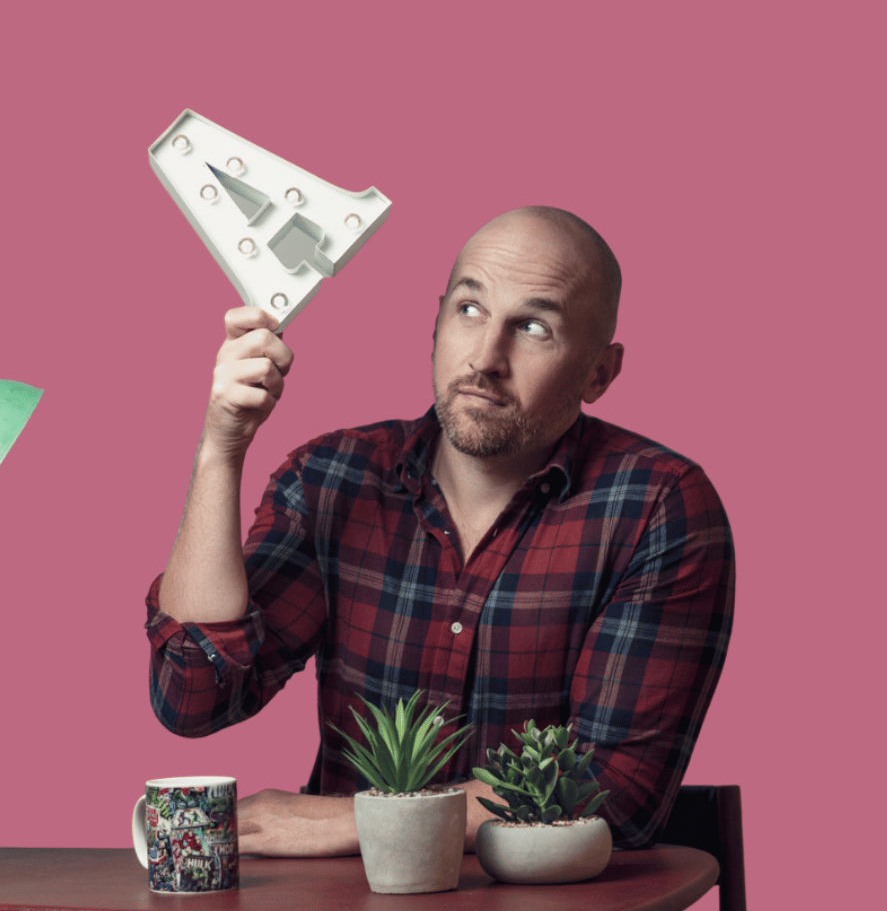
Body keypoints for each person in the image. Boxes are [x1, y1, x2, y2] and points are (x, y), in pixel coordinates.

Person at [144, 206, 734, 856]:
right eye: (469, 310)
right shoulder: (333, 477)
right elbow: (193, 694)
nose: (486, 358)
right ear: (436, 322)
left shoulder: (656, 505)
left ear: (600, 372)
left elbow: (616, 794)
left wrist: (352, 820)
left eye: (534, 327)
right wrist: (220, 449)